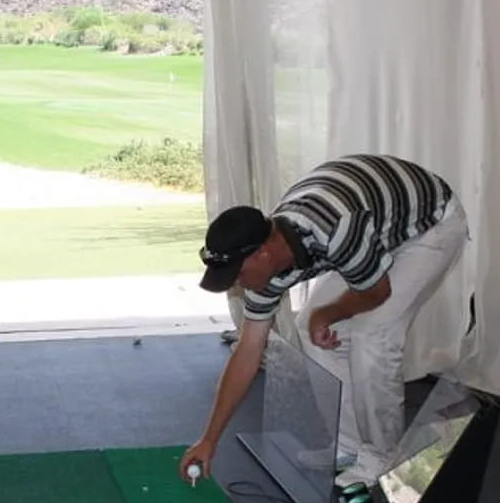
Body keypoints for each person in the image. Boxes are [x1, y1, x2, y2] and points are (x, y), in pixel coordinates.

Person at [180, 154, 469, 485]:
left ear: (262, 253)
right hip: (374, 224)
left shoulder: (337, 228)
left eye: (238, 273)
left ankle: (381, 456)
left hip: (428, 226)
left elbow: (377, 292)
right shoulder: (266, 272)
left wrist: (326, 314)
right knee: (310, 327)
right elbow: (247, 352)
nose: (238, 283)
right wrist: (209, 439)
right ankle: (348, 447)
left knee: (373, 334)